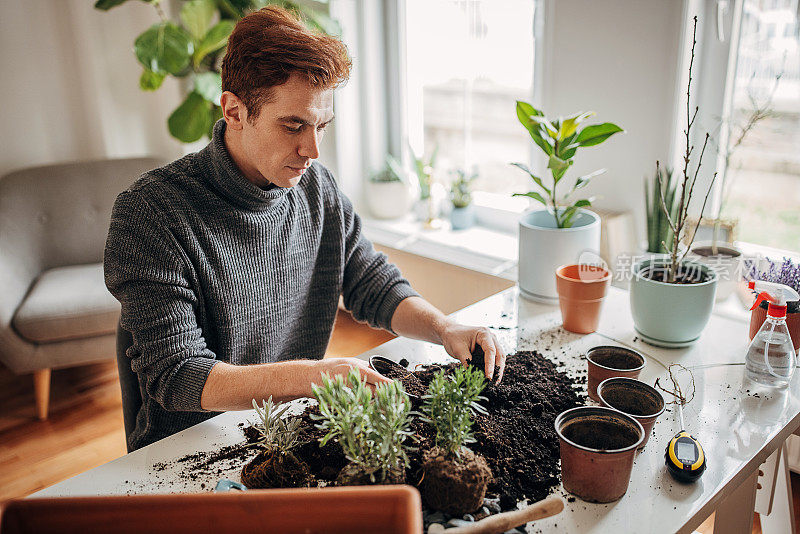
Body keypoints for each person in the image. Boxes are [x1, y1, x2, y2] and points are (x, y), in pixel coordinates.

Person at [104, 6, 505, 452]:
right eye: (293, 125)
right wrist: (316, 377)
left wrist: (444, 327)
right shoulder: (150, 214)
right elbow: (178, 375)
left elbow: (369, 281)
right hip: (188, 449)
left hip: (285, 427)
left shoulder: (317, 188)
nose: (312, 149)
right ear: (234, 110)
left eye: (321, 126)